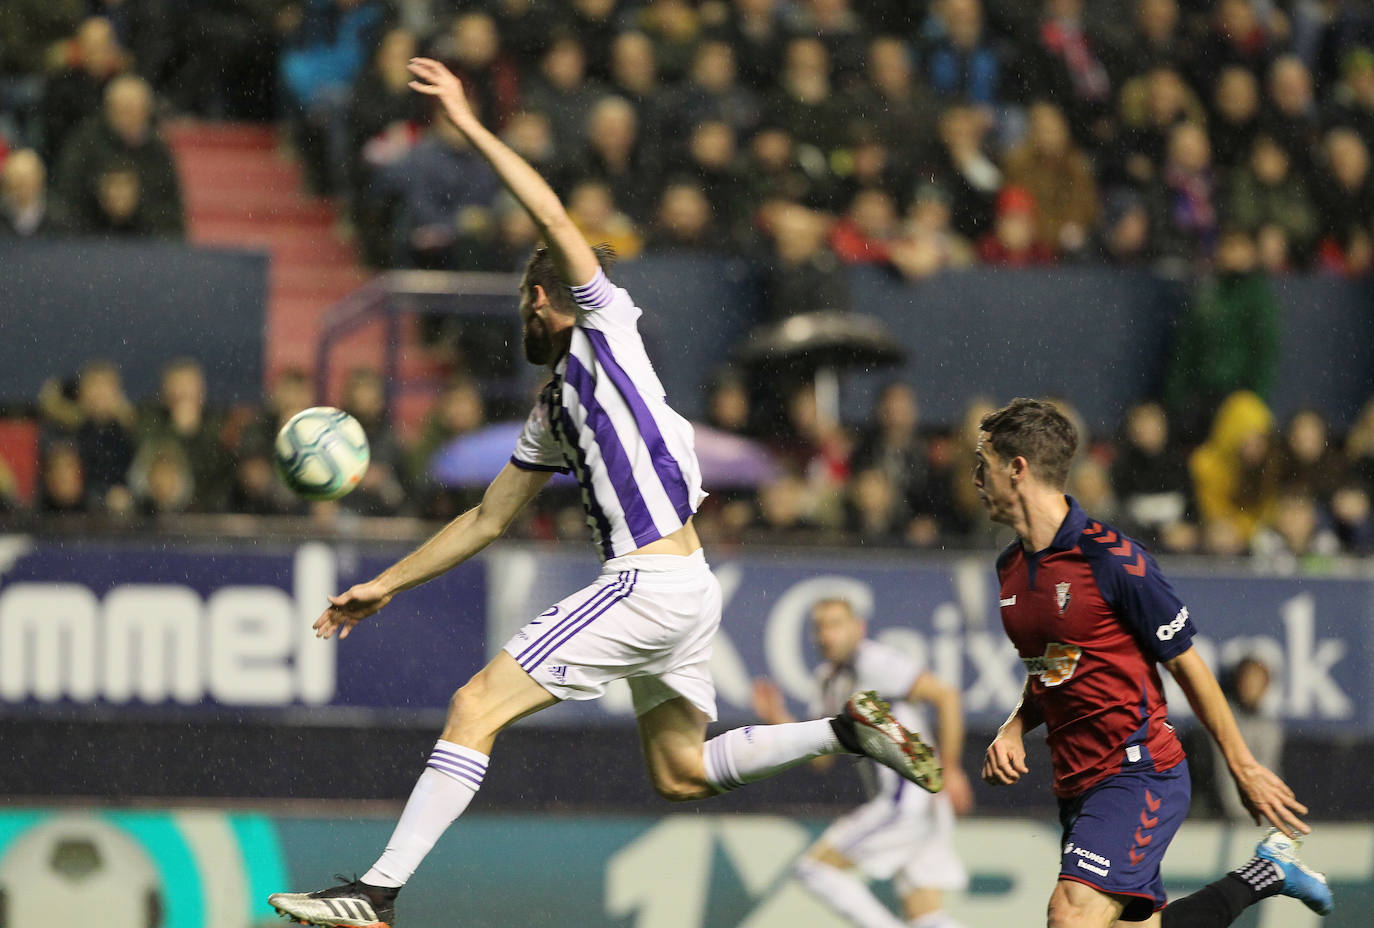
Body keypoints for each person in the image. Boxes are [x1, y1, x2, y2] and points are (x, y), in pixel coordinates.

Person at [266, 56, 942, 928]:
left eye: (523, 299)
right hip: (687, 590)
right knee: (682, 773)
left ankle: (376, 891)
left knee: (476, 705)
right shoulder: (554, 412)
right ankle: (847, 729)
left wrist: (469, 126)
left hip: (648, 582)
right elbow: (487, 517)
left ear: (543, 296)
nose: (522, 316)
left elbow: (550, 211)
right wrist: (385, 584)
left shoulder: (604, 329)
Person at [974, 397, 1332, 928]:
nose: (975, 476)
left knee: (1069, 916)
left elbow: (1190, 667)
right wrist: (1014, 727)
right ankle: (1267, 872)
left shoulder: (1113, 560)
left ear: (1017, 469)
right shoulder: (1010, 569)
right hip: (1076, 782)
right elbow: (1055, 667)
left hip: (1138, 771)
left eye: (983, 463)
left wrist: (1243, 766)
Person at [753, 597, 970, 928]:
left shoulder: (874, 660)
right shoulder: (828, 680)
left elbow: (946, 695)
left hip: (906, 800)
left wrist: (952, 770)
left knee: (815, 869)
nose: (827, 635)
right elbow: (821, 761)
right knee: (926, 918)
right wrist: (778, 718)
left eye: (836, 624)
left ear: (859, 628)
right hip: (923, 804)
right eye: (820, 627)